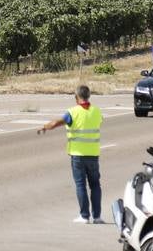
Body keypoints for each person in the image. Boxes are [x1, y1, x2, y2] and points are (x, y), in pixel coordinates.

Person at [37, 85, 104, 224]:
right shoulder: (97, 111)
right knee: (95, 185)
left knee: (81, 185)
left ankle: (84, 216)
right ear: (89, 96)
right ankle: (97, 216)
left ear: (76, 97)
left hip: (78, 155)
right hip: (93, 154)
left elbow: (56, 123)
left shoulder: (72, 112)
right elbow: (98, 122)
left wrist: (44, 127)